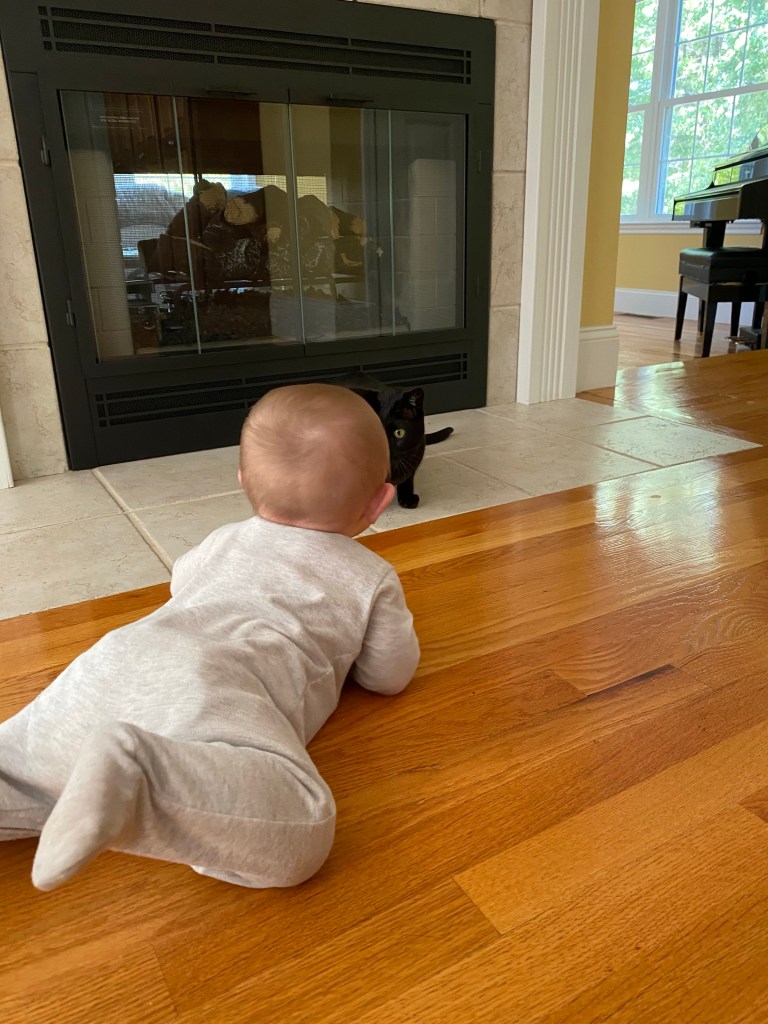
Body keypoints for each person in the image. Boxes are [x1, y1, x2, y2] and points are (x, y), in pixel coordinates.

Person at [0, 384, 420, 891]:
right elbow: (388, 676)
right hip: (216, 684)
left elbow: (181, 583)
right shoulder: (369, 575)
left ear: (243, 479)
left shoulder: (223, 539)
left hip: (118, 656)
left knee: (19, 764)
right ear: (380, 501)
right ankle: (140, 776)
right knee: (301, 833)